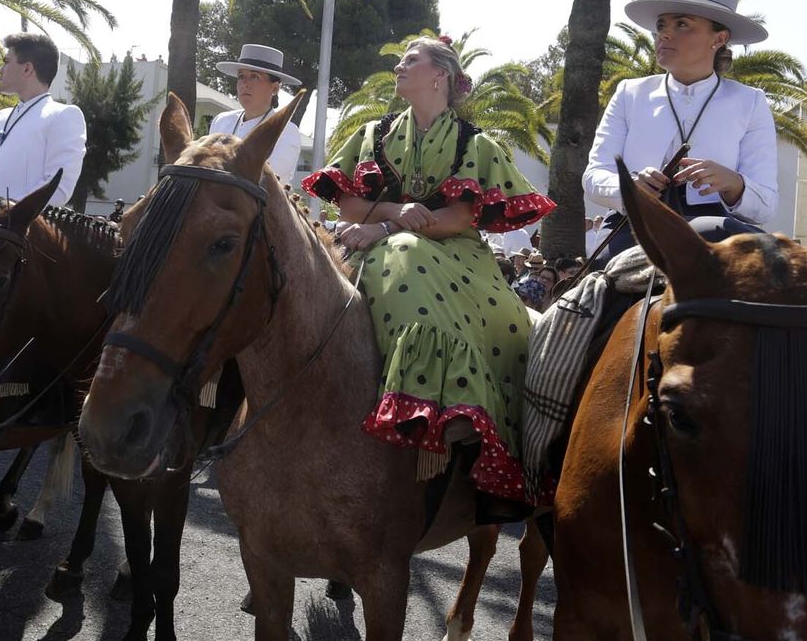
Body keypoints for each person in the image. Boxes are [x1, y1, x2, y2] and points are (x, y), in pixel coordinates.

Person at [303, 36, 555, 507]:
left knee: (407, 257)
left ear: (439, 75)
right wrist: (396, 214)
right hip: (376, 240)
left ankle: (442, 410)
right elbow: (351, 203)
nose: (398, 66)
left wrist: (386, 228)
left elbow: (460, 218)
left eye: (409, 60)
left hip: (452, 251)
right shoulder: (373, 135)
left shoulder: (474, 144)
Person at [583, 0, 777, 263]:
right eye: (661, 26)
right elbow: (593, 176)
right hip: (635, 228)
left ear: (719, 39)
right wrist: (629, 187)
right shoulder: (630, 93)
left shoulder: (750, 101)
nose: (664, 35)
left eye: (682, 24)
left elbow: (765, 205)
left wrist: (733, 183)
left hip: (721, 234)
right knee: (593, 300)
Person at [0, 33, 85, 208]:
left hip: (17, 231)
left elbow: (58, 188)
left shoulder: (63, 116)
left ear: (27, 69)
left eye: (6, 62)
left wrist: (6, 215)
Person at [210, 44, 304, 185]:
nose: (245, 83)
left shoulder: (286, 131)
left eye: (255, 76)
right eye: (241, 76)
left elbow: (269, 179)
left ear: (275, 87)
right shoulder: (221, 121)